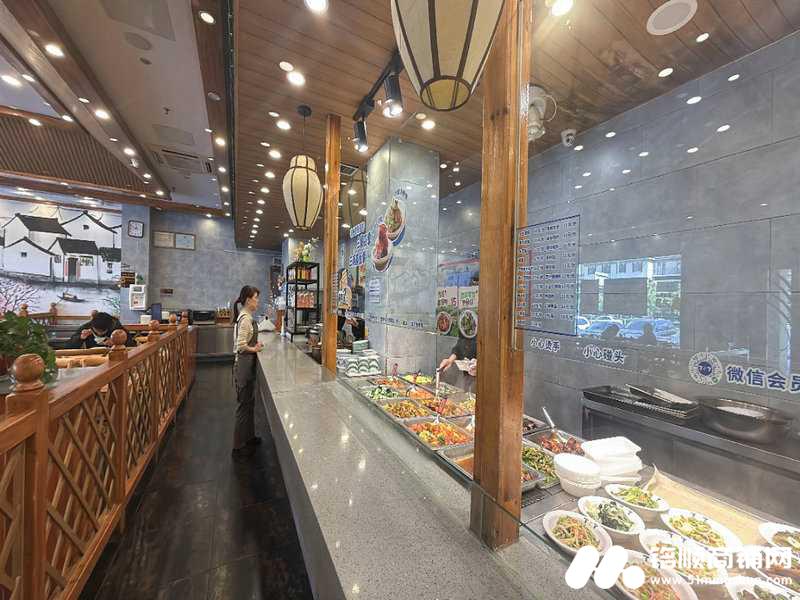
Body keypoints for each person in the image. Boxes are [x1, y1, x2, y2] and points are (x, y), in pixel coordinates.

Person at [232, 285, 264, 459]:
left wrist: (255, 346)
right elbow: (240, 346)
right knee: (243, 406)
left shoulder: (247, 317)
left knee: (249, 403)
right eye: (256, 298)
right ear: (248, 300)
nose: (257, 301)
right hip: (243, 368)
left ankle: (249, 437)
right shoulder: (245, 319)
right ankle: (238, 446)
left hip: (247, 367)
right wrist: (255, 349)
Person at [67, 311, 133, 349]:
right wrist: (80, 338)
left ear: (109, 327)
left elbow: (131, 344)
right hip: (91, 357)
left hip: (113, 357)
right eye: (96, 331)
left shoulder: (117, 329)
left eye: (102, 332)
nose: (99, 334)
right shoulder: (88, 326)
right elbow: (69, 345)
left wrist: (117, 344)